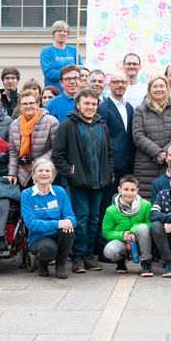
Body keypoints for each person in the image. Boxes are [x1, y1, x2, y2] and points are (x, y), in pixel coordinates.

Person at [51, 88, 114, 273]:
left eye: (94, 104)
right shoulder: (67, 125)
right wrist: (71, 173)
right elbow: (58, 155)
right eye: (86, 103)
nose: (90, 107)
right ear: (77, 104)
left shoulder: (102, 126)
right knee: (81, 218)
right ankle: (77, 257)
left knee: (94, 219)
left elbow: (110, 153)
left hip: (99, 182)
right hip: (78, 183)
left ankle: (88, 256)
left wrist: (108, 173)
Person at [132, 76, 171, 197]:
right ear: (149, 90)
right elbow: (138, 135)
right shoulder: (140, 110)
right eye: (155, 86)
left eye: (162, 86)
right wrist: (157, 153)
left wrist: (166, 153)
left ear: (167, 88)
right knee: (148, 202)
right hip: (146, 164)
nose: (158, 89)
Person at [21, 158, 75, 278]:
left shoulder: (60, 192)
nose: (44, 173)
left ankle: (60, 265)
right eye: (40, 170)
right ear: (34, 174)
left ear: (52, 175)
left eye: (47, 171)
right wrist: (57, 224)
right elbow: (31, 223)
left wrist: (68, 222)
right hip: (38, 237)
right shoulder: (26, 194)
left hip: (57, 234)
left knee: (69, 229)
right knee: (48, 249)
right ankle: (42, 263)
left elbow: (70, 215)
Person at [101, 175, 153, 276]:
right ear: (119, 190)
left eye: (132, 190)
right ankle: (120, 260)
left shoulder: (146, 205)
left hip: (142, 242)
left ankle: (146, 262)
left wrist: (134, 230)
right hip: (123, 243)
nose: (129, 193)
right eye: (126, 189)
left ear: (137, 191)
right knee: (109, 250)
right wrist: (122, 235)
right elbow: (106, 232)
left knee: (143, 228)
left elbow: (151, 224)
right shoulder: (111, 210)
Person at [7, 89, 59, 187]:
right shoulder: (14, 125)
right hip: (23, 173)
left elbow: (56, 148)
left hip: (46, 172)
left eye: (31, 103)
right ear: (20, 106)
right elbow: (13, 152)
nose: (28, 106)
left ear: (38, 104)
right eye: (24, 104)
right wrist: (12, 173)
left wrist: (37, 163)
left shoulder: (51, 122)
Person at [100, 73, 135, 178]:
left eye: (123, 82)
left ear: (127, 84)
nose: (120, 85)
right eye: (116, 82)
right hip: (113, 165)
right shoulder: (102, 108)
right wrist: (108, 168)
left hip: (129, 163)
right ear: (109, 85)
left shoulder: (129, 107)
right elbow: (102, 140)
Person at [39, 20, 81, 91]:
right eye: (59, 31)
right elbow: (50, 74)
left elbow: (80, 70)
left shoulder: (73, 50)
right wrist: (71, 74)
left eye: (65, 31)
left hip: (72, 93)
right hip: (54, 93)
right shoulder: (47, 51)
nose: (62, 33)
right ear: (53, 33)